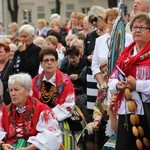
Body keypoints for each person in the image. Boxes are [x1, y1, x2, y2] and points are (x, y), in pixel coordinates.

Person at [108, 13, 150, 150]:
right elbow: (112, 78)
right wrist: (117, 85)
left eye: (142, 27)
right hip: (126, 111)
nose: (137, 30)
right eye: (134, 27)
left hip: (147, 111)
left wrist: (137, 84)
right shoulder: (126, 54)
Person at [0, 73, 62, 150]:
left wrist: (31, 148)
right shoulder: (4, 111)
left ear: (27, 91)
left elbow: (52, 135)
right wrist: (2, 144)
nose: (12, 93)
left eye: (16, 90)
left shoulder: (42, 109)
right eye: (11, 90)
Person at [32, 48, 77, 150]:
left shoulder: (65, 81)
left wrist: (49, 116)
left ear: (57, 62)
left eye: (52, 60)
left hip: (60, 117)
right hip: (39, 117)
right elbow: (31, 102)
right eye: (46, 60)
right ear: (41, 63)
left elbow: (68, 105)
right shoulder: (35, 81)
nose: (49, 63)